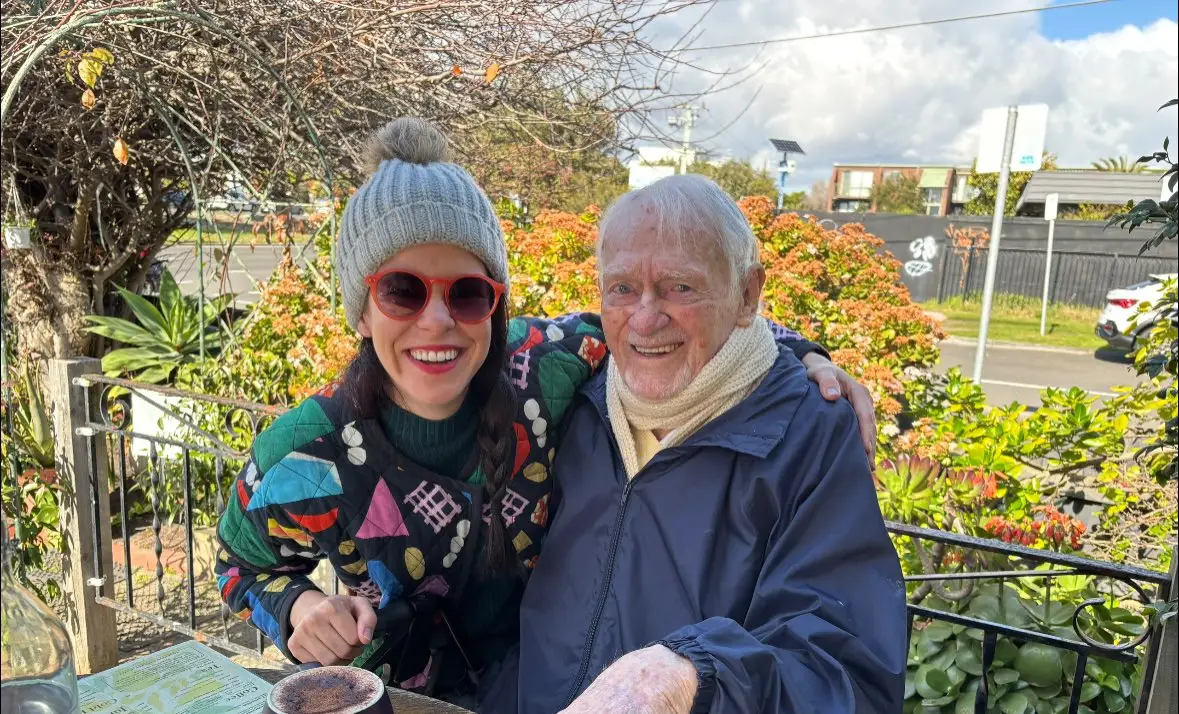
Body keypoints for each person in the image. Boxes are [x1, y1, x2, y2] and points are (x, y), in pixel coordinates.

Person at [214, 118, 875, 707]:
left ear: (496, 305)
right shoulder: (306, 451)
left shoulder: (544, 368)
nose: (437, 322)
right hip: (393, 701)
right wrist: (297, 606)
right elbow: (238, 566)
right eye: (401, 292)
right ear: (359, 309)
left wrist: (804, 357)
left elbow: (671, 328)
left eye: (468, 293)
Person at [482, 174, 907, 713]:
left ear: (747, 294)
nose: (644, 318)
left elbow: (845, 678)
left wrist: (691, 676)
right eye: (622, 288)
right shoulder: (570, 396)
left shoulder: (812, 434)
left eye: (681, 287)